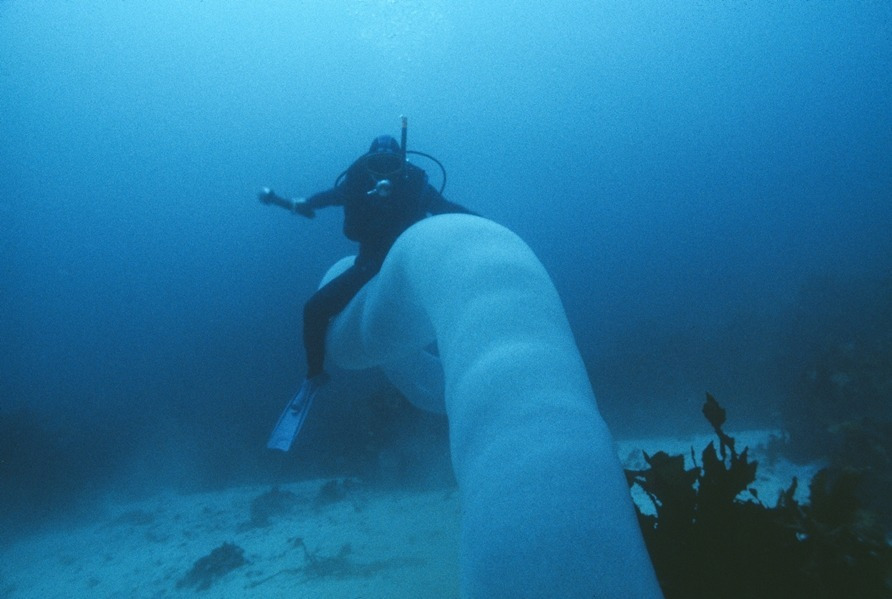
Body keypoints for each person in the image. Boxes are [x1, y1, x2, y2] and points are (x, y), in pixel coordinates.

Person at [260, 132, 475, 451]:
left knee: (454, 308)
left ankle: (469, 371)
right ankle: (313, 376)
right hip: (370, 265)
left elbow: (444, 207)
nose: (384, 169)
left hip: (409, 268)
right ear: (368, 161)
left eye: (390, 161)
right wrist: (298, 203)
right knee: (314, 309)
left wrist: (480, 224)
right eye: (378, 161)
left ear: (400, 162)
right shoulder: (358, 182)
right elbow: (329, 197)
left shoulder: (412, 183)